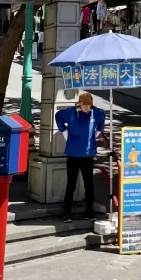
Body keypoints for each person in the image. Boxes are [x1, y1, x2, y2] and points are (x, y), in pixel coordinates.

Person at [55, 92, 108, 221]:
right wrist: (64, 131)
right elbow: (58, 116)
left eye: (88, 105)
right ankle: (67, 211)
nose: (86, 108)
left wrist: (97, 133)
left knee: (89, 183)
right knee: (71, 184)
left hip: (88, 154)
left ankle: (89, 211)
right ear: (79, 104)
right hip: (73, 153)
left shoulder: (97, 113)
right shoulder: (71, 112)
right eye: (84, 105)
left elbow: (102, 122)